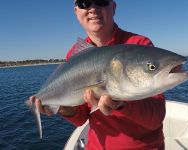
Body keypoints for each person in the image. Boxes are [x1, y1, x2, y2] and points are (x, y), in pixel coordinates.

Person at [29, 0, 166, 149]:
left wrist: (122, 104)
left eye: (101, 1)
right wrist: (62, 108)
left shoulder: (139, 46)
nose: (93, 8)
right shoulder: (75, 56)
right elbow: (81, 117)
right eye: (84, 3)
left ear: (113, 7)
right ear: (76, 12)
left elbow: (155, 118)